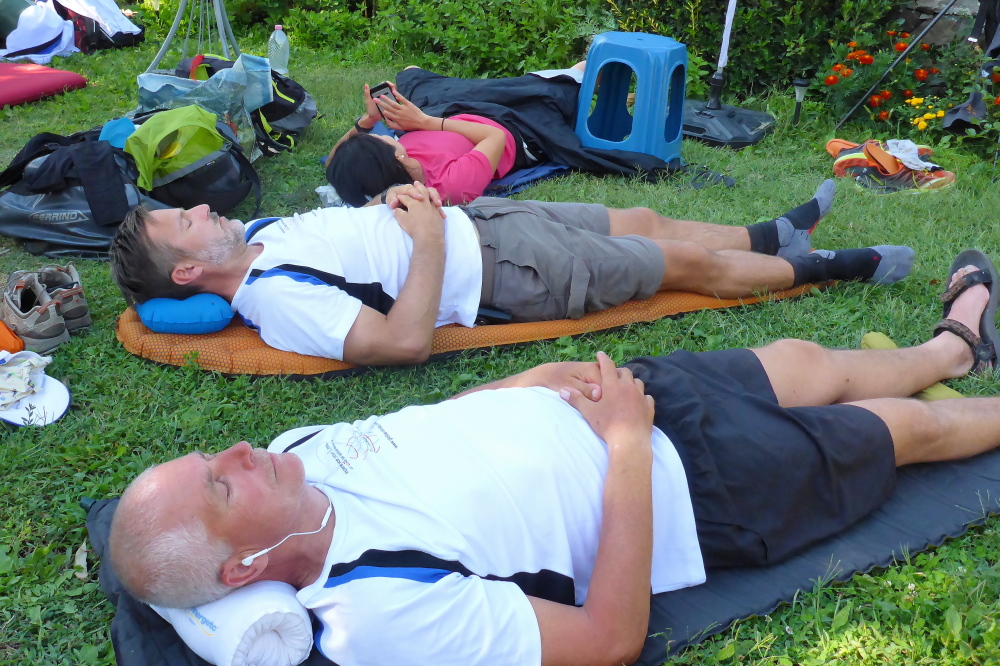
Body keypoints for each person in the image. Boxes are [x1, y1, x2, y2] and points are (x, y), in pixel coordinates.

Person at [108, 252, 1000, 666]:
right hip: (690, 489)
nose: (241, 450)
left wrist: (532, 379)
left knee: (807, 360)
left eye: (213, 453)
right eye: (221, 483)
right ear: (246, 567)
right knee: (899, 432)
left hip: (613, 403)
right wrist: (625, 445)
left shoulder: (294, 454)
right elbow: (609, 641)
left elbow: (432, 422)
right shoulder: (372, 610)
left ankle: (952, 349)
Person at [108, 180, 914, 366]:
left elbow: (356, 234)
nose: (199, 207)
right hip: (507, 272)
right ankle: (830, 267)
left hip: (487, 219)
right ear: (188, 271)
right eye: (184, 221)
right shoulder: (278, 302)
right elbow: (404, 342)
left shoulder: (261, 234)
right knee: (685, 265)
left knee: (643, 219)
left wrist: (395, 200)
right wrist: (427, 237)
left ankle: (773, 233)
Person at [323, 63, 670, 206]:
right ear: (396, 157)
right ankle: (587, 73)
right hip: (507, 124)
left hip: (446, 112)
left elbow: (335, 161)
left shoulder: (378, 171)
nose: (380, 135)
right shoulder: (447, 187)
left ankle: (574, 74)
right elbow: (494, 139)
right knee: (550, 90)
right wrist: (426, 123)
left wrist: (367, 121)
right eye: (378, 138)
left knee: (412, 74)